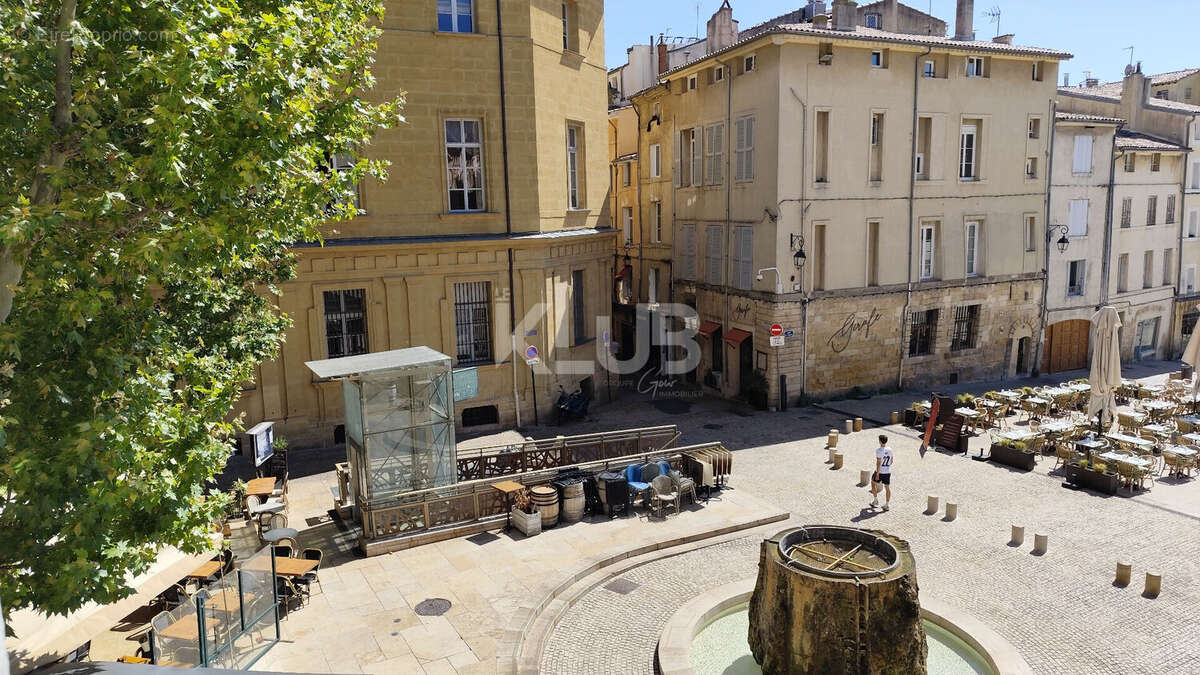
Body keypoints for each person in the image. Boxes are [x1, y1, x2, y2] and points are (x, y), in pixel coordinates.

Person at [871, 434, 894, 511]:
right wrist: (887, 467)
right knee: (887, 488)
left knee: (873, 483)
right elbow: (891, 461)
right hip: (887, 472)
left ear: (880, 441)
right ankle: (887, 505)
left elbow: (878, 463)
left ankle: (875, 500)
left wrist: (877, 473)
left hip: (880, 472)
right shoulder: (890, 449)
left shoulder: (878, 450)